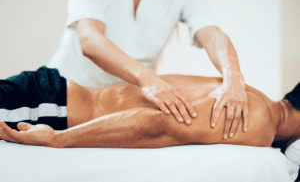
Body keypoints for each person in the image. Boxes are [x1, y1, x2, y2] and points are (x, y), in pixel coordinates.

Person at [48, 0, 248, 139]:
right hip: (66, 93)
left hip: (118, 105)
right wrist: (148, 79)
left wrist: (234, 76)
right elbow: (90, 40)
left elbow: (212, 35)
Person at [0, 66, 299, 150]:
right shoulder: (259, 121)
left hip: (50, 95)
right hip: (48, 108)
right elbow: (159, 125)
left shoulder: (251, 95)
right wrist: (58, 139)